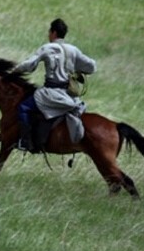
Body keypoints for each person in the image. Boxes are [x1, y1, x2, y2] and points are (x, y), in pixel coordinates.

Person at [12, 18, 97, 151]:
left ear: (53, 32)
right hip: (70, 95)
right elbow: (92, 67)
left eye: (49, 32)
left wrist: (14, 70)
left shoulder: (48, 48)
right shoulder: (73, 50)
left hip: (50, 94)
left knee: (23, 107)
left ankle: (25, 141)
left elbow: (30, 65)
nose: (48, 34)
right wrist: (76, 70)